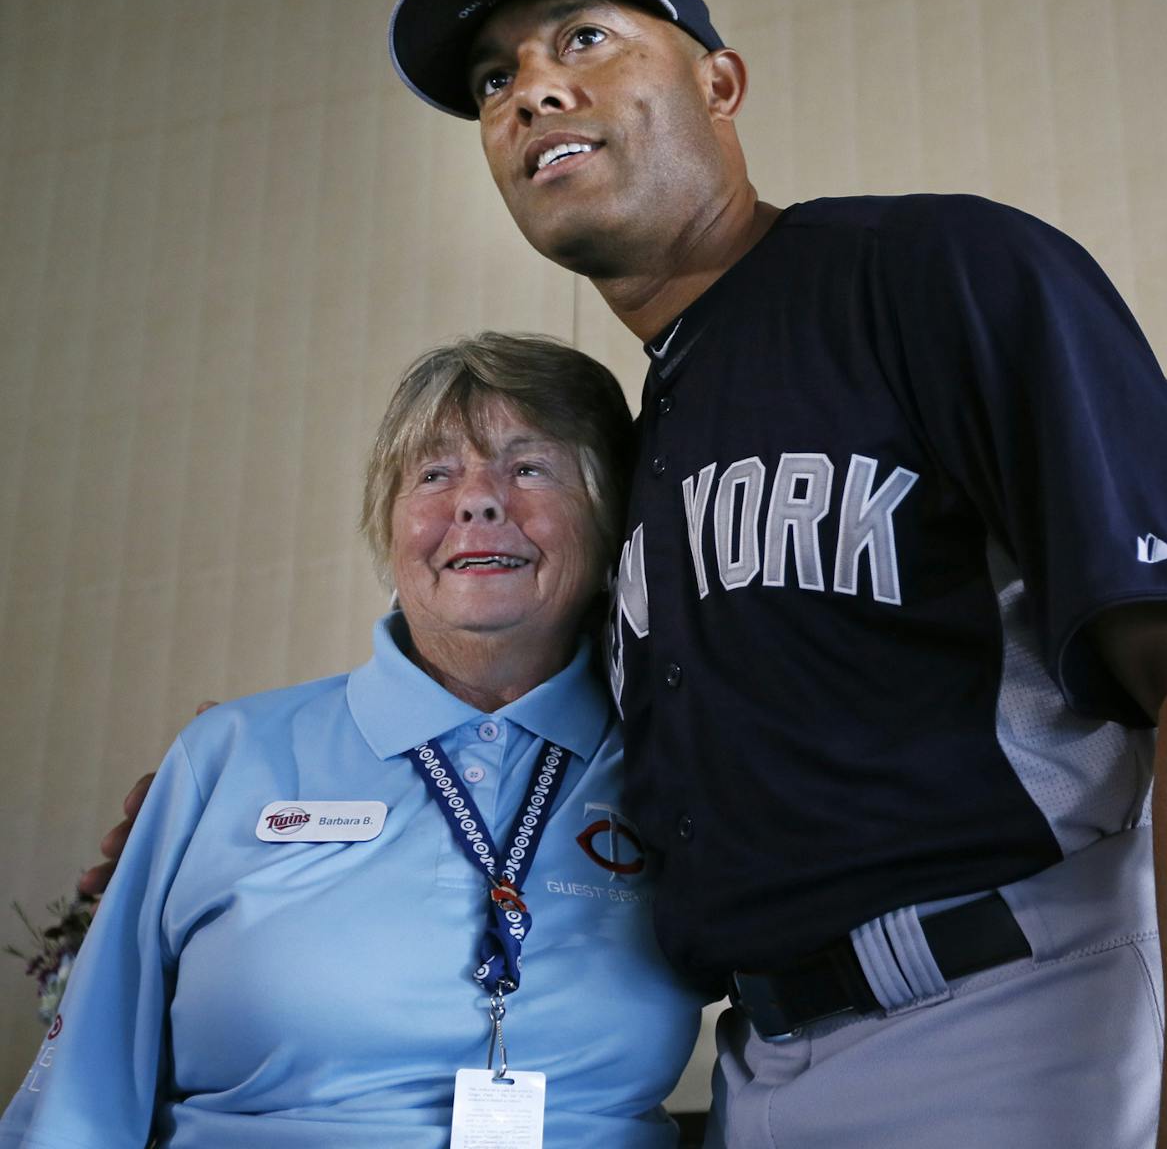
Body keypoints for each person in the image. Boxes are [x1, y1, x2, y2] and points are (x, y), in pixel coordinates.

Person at [89, 0, 1167, 1148]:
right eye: (494, 79)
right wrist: (229, 807)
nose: (533, 90)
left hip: (1016, 1012)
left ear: (718, 81)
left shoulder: (930, 270)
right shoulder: (642, 440)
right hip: (756, 1070)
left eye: (583, 36)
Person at [5, 333, 704, 1149]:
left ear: (610, 515)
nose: (477, 502)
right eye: (435, 474)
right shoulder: (227, 756)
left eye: (528, 468)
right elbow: (80, 1101)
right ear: (389, 523)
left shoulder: (674, 762)